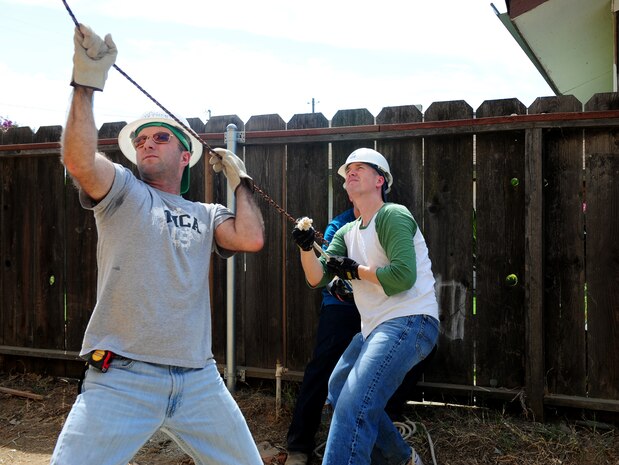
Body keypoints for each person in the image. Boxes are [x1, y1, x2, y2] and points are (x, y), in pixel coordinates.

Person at [51, 24, 265, 465]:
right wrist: (86, 85)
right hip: (121, 377)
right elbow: (78, 159)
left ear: (185, 155)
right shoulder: (125, 191)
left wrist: (240, 181)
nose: (147, 143)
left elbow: (251, 237)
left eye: (160, 137)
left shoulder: (206, 214)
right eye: (141, 140)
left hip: (199, 381)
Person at [291, 148, 439, 465]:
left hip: (410, 320)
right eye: (348, 170)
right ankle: (403, 459)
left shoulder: (393, 215)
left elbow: (402, 277)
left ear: (379, 180)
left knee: (353, 404)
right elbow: (317, 278)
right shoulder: (346, 232)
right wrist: (306, 250)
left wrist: (354, 270)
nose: (351, 172)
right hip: (374, 329)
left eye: (360, 167)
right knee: (339, 388)